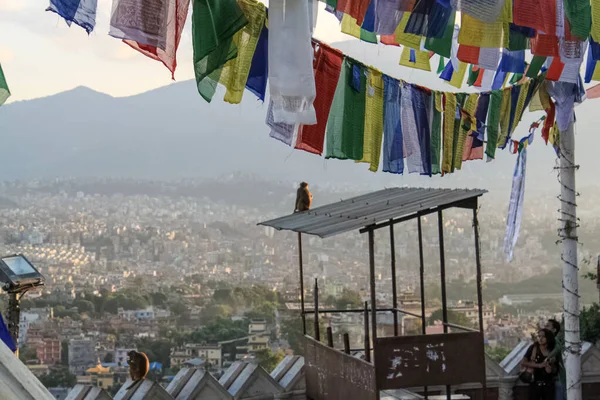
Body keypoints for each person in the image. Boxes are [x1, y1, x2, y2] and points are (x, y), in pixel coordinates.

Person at [521, 328, 557, 400]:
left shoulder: (552, 350)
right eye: (539, 336)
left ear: (548, 338)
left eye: (543, 337)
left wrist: (551, 368)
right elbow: (523, 362)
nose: (540, 339)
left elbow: (555, 369)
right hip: (535, 384)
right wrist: (539, 365)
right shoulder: (534, 348)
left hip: (548, 385)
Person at [545, 319, 565, 400]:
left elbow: (558, 348)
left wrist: (546, 358)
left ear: (554, 330)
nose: (546, 327)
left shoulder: (555, 340)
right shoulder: (550, 342)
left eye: (548, 326)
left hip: (560, 377)